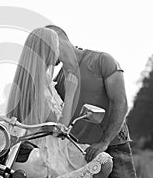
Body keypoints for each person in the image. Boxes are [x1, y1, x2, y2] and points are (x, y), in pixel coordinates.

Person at [6, 27, 113, 178]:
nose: (57, 51)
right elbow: (59, 129)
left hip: (47, 147)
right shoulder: (36, 86)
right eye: (55, 46)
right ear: (48, 50)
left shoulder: (40, 81)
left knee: (102, 161)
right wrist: (70, 93)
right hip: (47, 151)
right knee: (103, 163)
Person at [45, 25, 137, 178]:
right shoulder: (58, 79)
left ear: (56, 41)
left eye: (44, 47)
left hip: (113, 146)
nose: (43, 55)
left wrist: (105, 142)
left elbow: (120, 102)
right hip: (82, 153)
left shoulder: (103, 60)